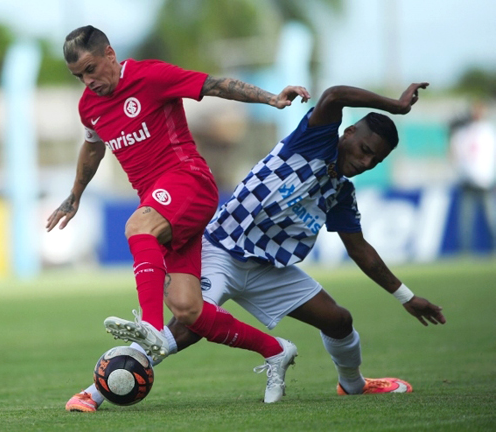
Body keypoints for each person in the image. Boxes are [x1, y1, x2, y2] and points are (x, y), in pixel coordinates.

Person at [65, 82, 447, 412]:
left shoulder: (341, 194)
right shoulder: (314, 141)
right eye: (363, 148)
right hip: (221, 250)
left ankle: (353, 384)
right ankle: (94, 392)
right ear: (346, 133)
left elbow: (360, 249)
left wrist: (405, 296)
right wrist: (396, 106)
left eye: (374, 159)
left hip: (269, 269)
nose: (364, 161)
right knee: (187, 326)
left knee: (339, 320)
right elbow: (335, 94)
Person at [47, 25, 309, 402]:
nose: (88, 81)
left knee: (138, 225)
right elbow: (93, 149)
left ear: (109, 54)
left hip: (188, 180)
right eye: (79, 76)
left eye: (91, 69)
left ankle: (151, 327)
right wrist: (74, 196)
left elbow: (215, 85)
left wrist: (271, 98)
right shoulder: (88, 107)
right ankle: (275, 350)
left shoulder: (151, 76)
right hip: (162, 204)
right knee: (188, 310)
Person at [448, 101, 496, 253]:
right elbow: (455, 152)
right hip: (467, 180)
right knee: (466, 220)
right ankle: (465, 251)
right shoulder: (464, 131)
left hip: (485, 180)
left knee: (490, 217)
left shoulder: (488, 131)